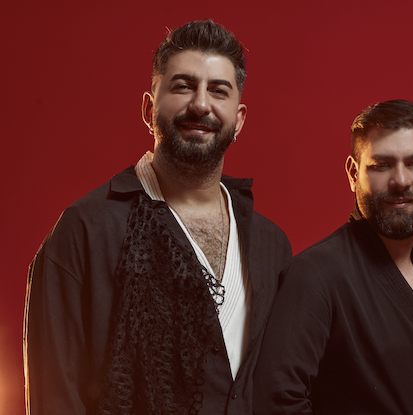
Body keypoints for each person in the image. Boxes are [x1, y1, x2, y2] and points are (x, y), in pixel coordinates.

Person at [24, 20, 291, 415]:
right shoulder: (85, 230)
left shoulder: (271, 245)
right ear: (149, 109)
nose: (201, 104)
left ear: (239, 119)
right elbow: (56, 399)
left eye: (218, 90)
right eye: (183, 86)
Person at [253, 100, 413, 415]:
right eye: (381, 165)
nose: (401, 181)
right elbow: (277, 400)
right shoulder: (315, 274)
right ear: (354, 173)